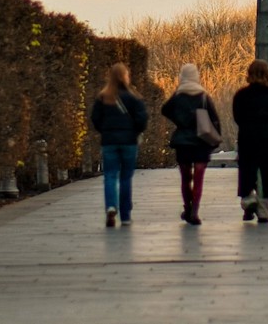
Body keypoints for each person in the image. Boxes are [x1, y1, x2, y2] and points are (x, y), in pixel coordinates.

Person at [88, 62, 148, 228]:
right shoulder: (134, 97)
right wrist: (134, 132)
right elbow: (142, 119)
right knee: (126, 178)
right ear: (125, 77)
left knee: (110, 175)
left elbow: (95, 119)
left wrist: (105, 131)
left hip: (109, 141)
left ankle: (111, 206)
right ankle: (126, 215)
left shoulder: (103, 98)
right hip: (129, 141)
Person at [160, 63, 222, 225]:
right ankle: (195, 210)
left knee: (185, 178)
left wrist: (179, 119)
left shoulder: (178, 96)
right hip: (201, 142)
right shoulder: (203, 96)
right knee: (199, 178)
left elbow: (165, 110)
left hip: (183, 142)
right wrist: (215, 140)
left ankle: (187, 208)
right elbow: (214, 119)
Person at [231, 59, 268, 223]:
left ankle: (248, 200)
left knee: (248, 169)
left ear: (249, 74)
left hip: (247, 136)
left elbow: (237, 116)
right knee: (267, 172)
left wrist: (247, 127)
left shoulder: (241, 94)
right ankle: (263, 210)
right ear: (267, 74)